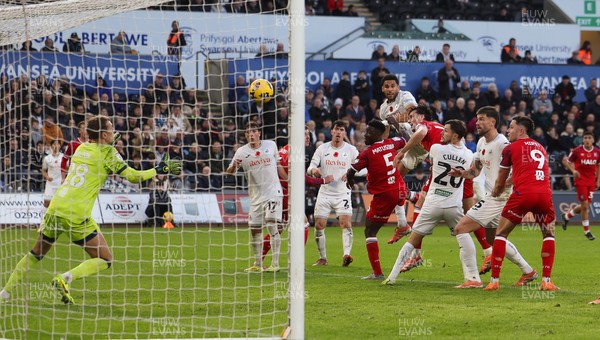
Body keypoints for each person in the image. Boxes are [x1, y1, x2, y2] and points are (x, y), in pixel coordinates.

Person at [0, 116, 182, 304]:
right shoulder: (108, 154)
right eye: (111, 129)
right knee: (106, 259)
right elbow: (133, 177)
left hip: (55, 207)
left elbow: (97, 146)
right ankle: (65, 278)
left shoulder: (81, 148)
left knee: (36, 253)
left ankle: (4, 293)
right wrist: (159, 169)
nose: (113, 132)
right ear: (104, 134)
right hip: (76, 213)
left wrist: (108, 141)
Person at [449, 107, 537, 288]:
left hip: (500, 197)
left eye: (481, 119)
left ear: (492, 122)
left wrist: (501, 186)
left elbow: (516, 173)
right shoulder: (481, 142)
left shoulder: (503, 144)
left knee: (461, 228)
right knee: (494, 239)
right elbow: (475, 171)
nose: (477, 123)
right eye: (476, 119)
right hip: (495, 195)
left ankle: (472, 279)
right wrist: (461, 173)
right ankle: (528, 271)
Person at [382, 120, 473, 285]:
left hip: (433, 205)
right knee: (463, 237)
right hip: (454, 206)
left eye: (445, 131)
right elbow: (470, 173)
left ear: (455, 135)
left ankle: (392, 277)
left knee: (413, 240)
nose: (442, 134)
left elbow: (423, 143)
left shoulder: (436, 149)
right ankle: (472, 278)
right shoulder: (469, 155)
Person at [484, 116, 558, 291]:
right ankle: (547, 281)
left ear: (521, 131)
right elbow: (526, 173)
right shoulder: (541, 147)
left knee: (500, 234)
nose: (507, 131)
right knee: (548, 235)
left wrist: (496, 191)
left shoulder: (510, 148)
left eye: (511, 127)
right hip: (544, 194)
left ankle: (494, 281)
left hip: (522, 194)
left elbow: (501, 180)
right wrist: (511, 181)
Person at [260, 127, 333, 263]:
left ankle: (259, 260)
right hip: (286, 194)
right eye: (304, 134)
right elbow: (302, 179)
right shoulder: (295, 153)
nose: (308, 137)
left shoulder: (285, 150)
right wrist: (323, 180)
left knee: (278, 228)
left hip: (277, 192)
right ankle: (296, 262)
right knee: (304, 224)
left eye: (308, 134)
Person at [346, 120, 407, 280]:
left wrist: (350, 180)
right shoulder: (391, 143)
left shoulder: (368, 152)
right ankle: (403, 225)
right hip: (398, 188)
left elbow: (352, 170)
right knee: (370, 225)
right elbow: (406, 138)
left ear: (377, 134)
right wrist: (395, 125)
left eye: (368, 132)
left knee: (370, 231)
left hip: (384, 194)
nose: (365, 135)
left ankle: (377, 273)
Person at [226, 123, 286, 272]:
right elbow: (229, 172)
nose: (251, 134)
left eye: (253, 131)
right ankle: (258, 264)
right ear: (246, 135)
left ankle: (275, 264)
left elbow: (279, 168)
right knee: (254, 229)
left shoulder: (271, 145)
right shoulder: (241, 151)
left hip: (273, 192)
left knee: (271, 224)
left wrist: (288, 183)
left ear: (259, 133)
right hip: (255, 197)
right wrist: (234, 166)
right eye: (248, 132)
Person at [307, 120, 359, 267]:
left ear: (344, 133)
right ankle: (322, 258)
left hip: (343, 193)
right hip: (325, 193)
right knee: (319, 225)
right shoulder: (322, 149)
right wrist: (315, 171)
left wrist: (351, 173)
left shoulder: (351, 150)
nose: (338, 132)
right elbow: (310, 167)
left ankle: (346, 255)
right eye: (336, 130)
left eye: (341, 130)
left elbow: (364, 168)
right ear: (332, 132)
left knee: (345, 223)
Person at [562, 132, 600, 240]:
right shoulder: (577, 151)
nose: (587, 140)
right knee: (584, 206)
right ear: (583, 140)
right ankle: (587, 231)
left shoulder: (597, 152)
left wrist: (598, 181)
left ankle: (567, 216)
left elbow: (598, 166)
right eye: (585, 138)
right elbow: (566, 161)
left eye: (589, 138)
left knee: (586, 205)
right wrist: (573, 170)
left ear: (593, 140)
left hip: (591, 181)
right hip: (580, 181)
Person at [41, 139, 64, 208]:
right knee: (47, 203)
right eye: (54, 144)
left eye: (58, 144)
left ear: (60, 146)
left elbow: (69, 169)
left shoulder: (63, 157)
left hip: (60, 183)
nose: (56, 146)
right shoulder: (47, 158)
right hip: (50, 184)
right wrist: (47, 177)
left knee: (60, 203)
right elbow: (43, 170)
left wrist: (64, 178)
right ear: (51, 146)